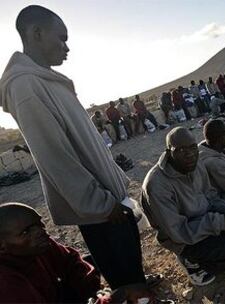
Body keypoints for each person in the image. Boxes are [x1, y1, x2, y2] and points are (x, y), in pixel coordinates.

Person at [0, 6, 172, 303]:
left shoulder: (46, 80)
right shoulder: (26, 85)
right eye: (62, 38)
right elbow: (55, 156)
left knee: (128, 263)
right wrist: (101, 204)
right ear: (36, 33)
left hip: (106, 198)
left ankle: (140, 287)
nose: (67, 47)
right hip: (98, 206)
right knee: (120, 271)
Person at [142, 127, 225, 286]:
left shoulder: (196, 164)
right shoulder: (157, 185)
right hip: (182, 238)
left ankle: (224, 250)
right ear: (169, 152)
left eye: (193, 147)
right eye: (182, 150)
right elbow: (178, 232)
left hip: (205, 219)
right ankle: (191, 263)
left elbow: (210, 196)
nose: (190, 154)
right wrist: (221, 223)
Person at [0, 203, 101, 303]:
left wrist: (92, 293)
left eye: (39, 223)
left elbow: (72, 262)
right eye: (26, 232)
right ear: (1, 246)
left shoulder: (40, 246)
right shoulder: (6, 283)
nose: (40, 231)